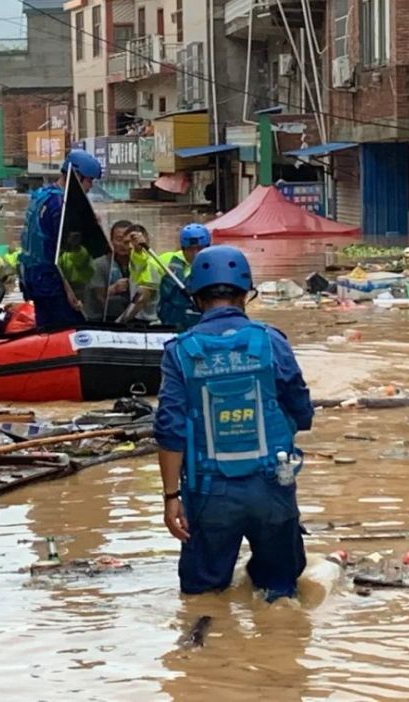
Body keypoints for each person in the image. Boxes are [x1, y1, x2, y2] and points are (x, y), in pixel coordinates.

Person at [155, 245, 314, 601]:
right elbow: (301, 409)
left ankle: (209, 649)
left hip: (209, 494)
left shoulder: (179, 352)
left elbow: (169, 429)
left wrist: (170, 498)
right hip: (273, 487)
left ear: (195, 297)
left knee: (202, 598)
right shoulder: (271, 342)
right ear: (247, 293)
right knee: (280, 593)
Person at [19, 149, 103, 329]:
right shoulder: (59, 206)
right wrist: (69, 291)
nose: (90, 187)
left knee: (45, 327)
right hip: (50, 280)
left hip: (31, 276)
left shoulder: (42, 195)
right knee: (70, 327)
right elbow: (59, 253)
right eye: (89, 181)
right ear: (76, 176)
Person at [157, 223, 211, 331]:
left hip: (202, 326)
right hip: (171, 324)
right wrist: (138, 252)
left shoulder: (216, 267)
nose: (195, 254)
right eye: (190, 249)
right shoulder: (165, 260)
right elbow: (143, 267)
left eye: (199, 248)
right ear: (183, 249)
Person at [84, 219, 133, 322]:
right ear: (111, 241)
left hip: (130, 318)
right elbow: (99, 298)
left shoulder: (138, 264)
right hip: (101, 319)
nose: (123, 244)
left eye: (127, 240)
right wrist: (114, 289)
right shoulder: (99, 264)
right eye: (119, 239)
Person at [119, 224, 161, 324]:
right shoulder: (135, 264)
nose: (129, 246)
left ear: (145, 239)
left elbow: (141, 298)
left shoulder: (150, 265)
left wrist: (121, 322)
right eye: (126, 242)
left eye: (133, 242)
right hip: (140, 320)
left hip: (150, 323)